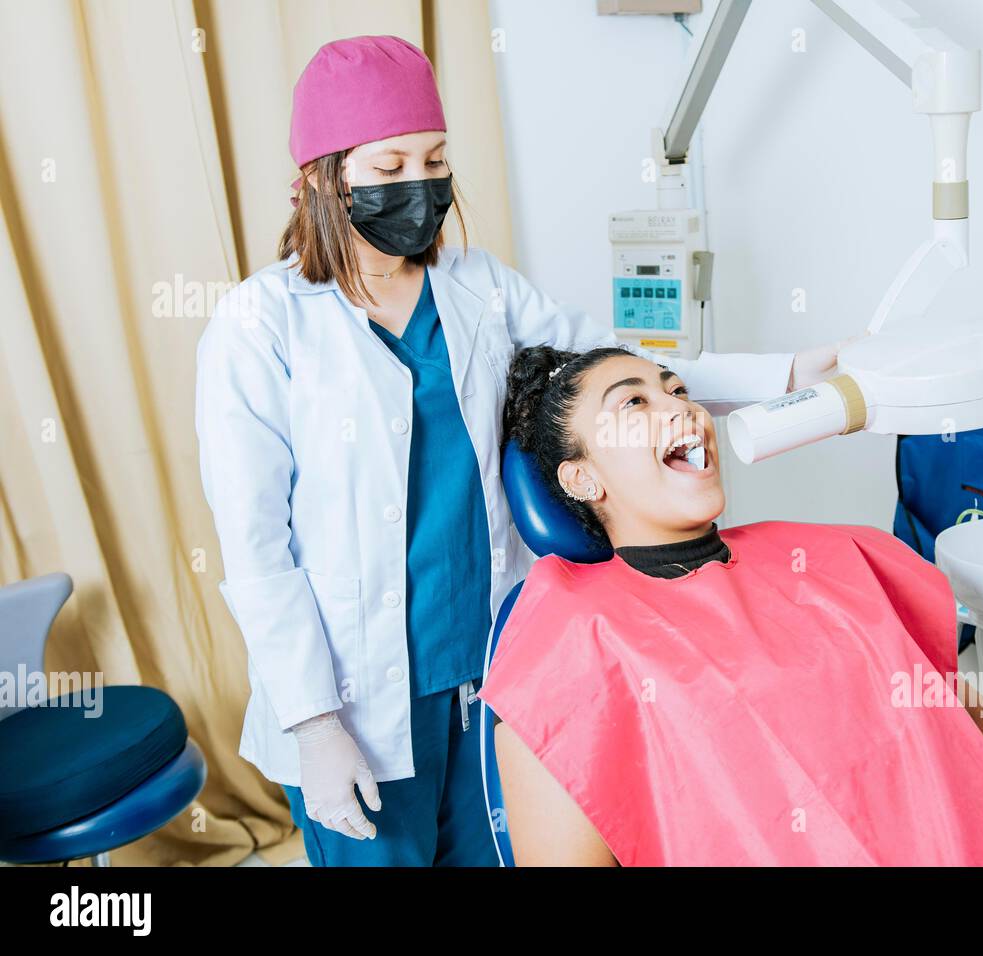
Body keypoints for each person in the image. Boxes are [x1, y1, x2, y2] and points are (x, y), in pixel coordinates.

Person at [194, 35, 846, 866]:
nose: (419, 187)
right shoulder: (260, 326)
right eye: (388, 169)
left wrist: (788, 372)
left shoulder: (480, 288)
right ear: (325, 179)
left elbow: (618, 368)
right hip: (356, 692)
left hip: (491, 666)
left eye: (433, 161)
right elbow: (257, 549)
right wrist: (313, 721)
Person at [477, 345, 983, 867]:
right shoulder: (573, 648)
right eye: (635, 404)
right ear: (582, 477)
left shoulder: (836, 556)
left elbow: (956, 707)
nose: (681, 409)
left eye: (679, 390)